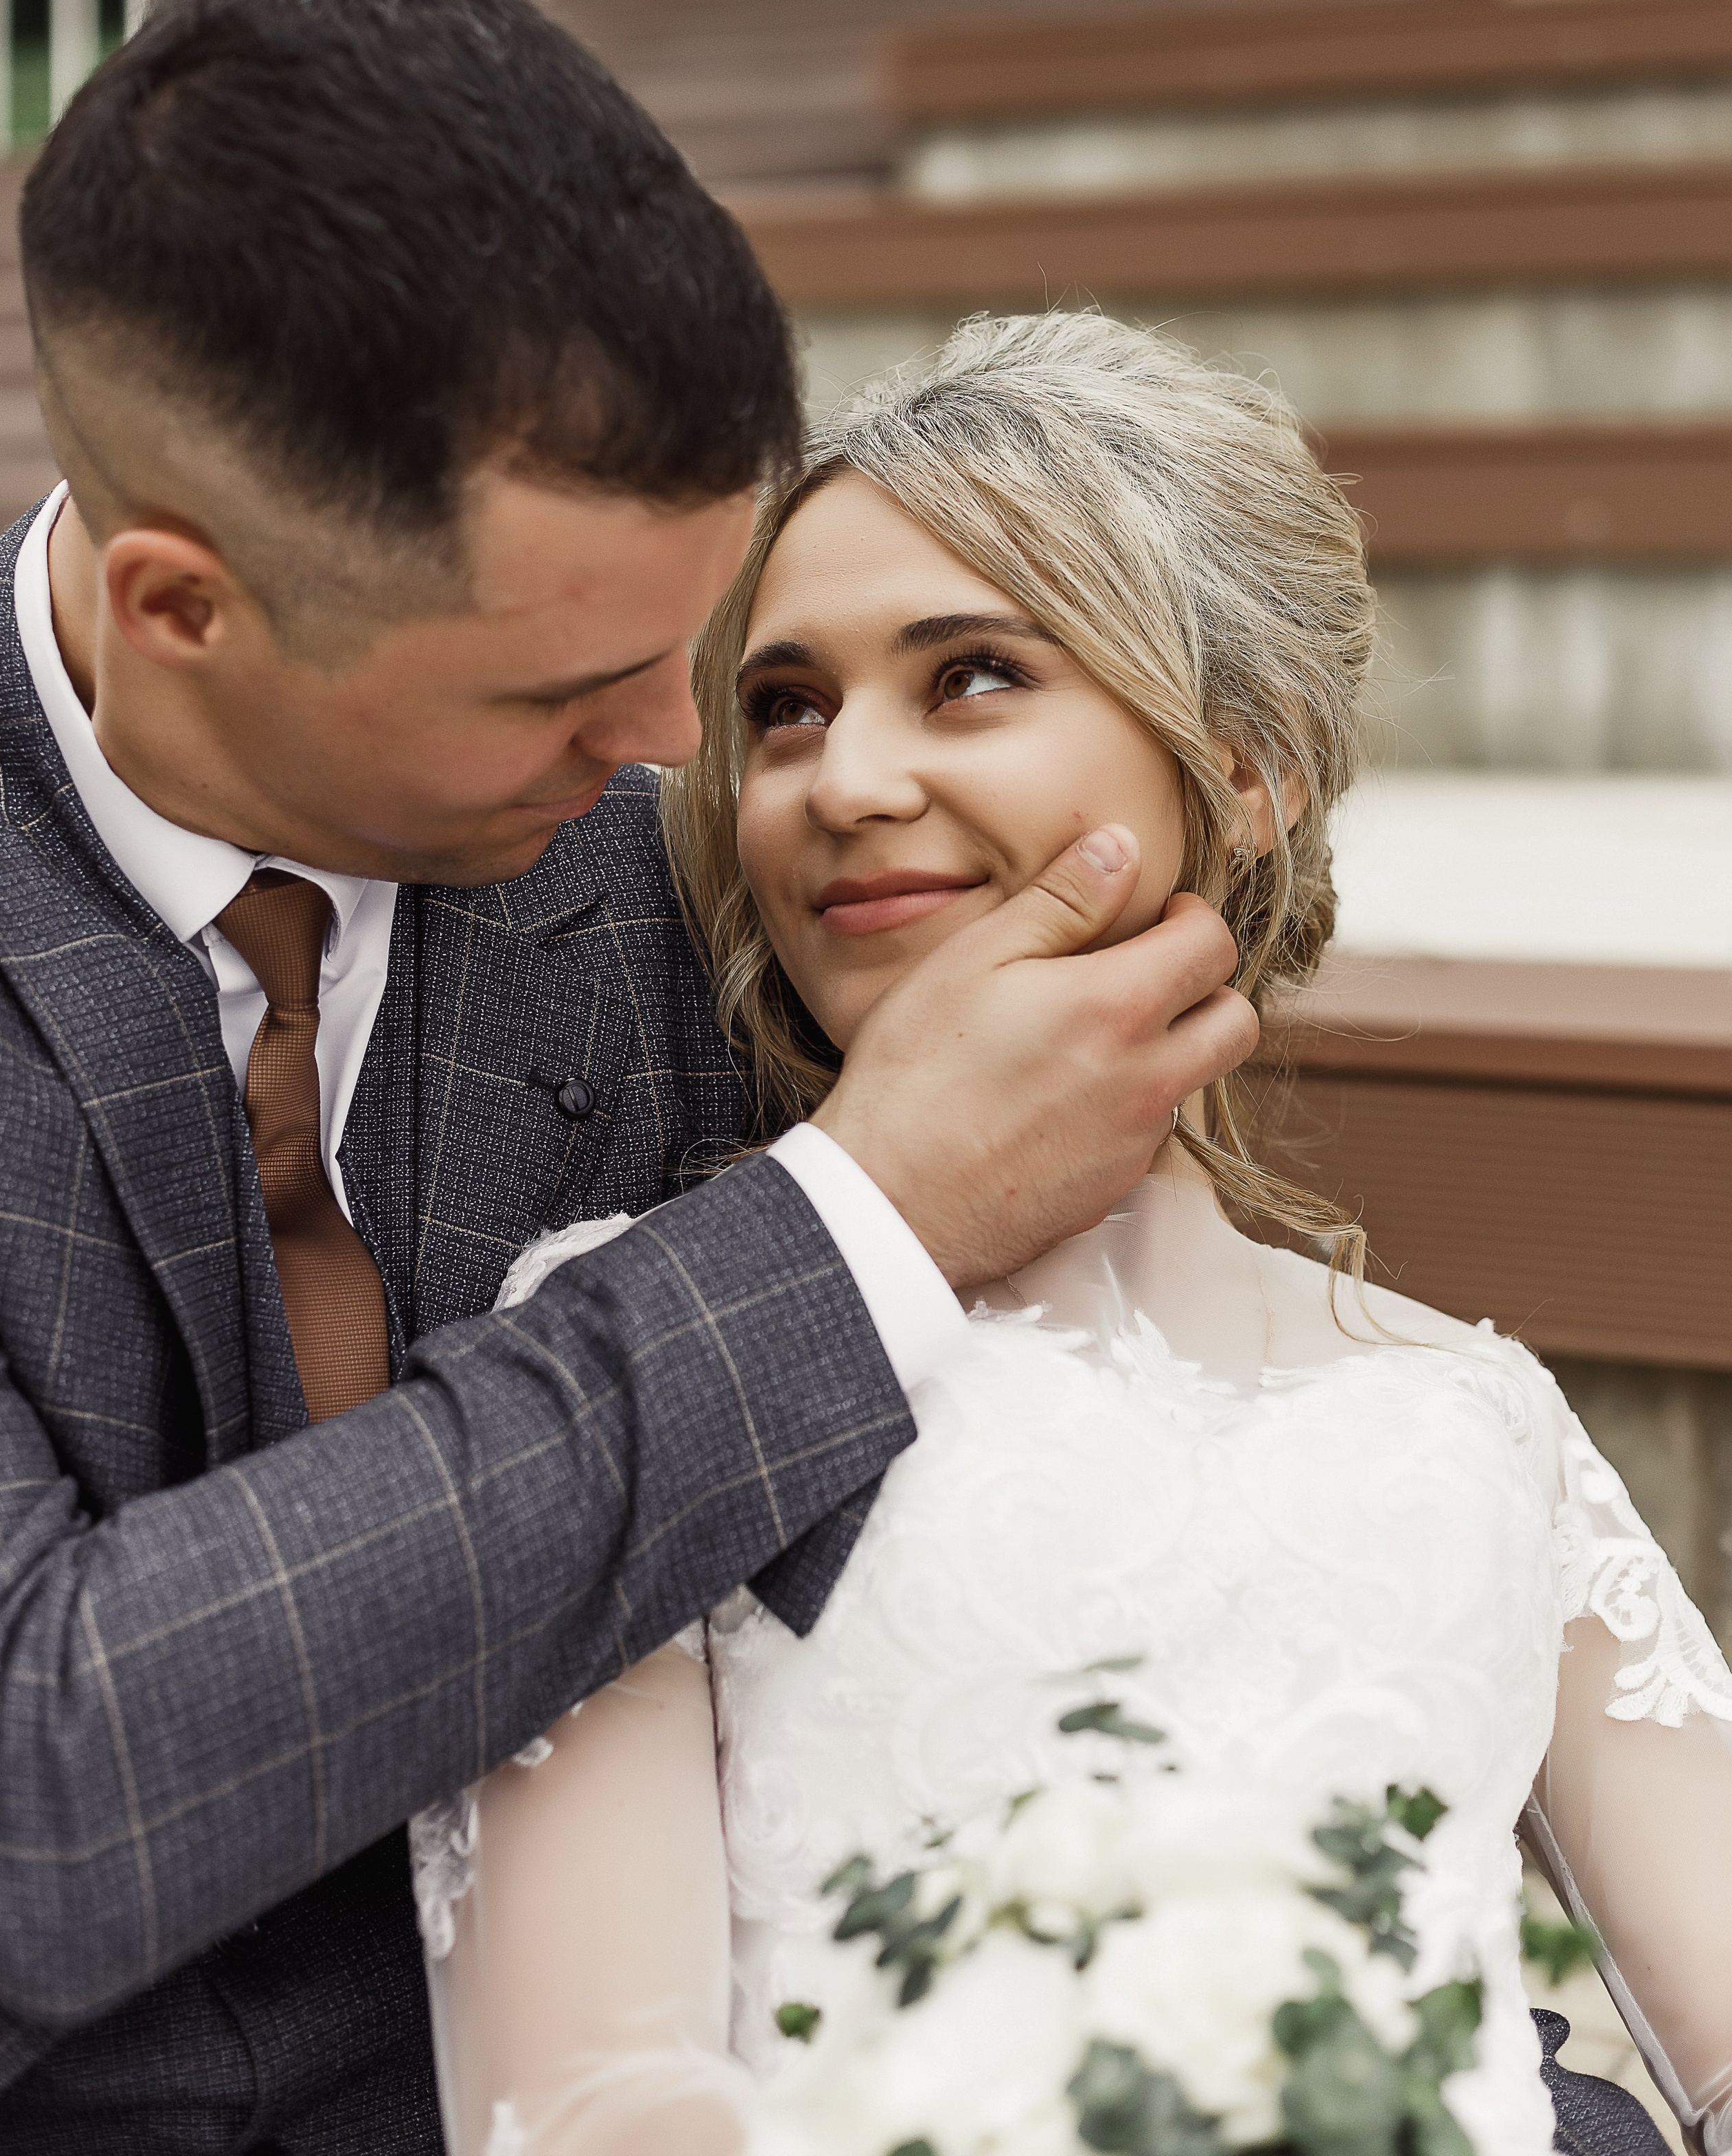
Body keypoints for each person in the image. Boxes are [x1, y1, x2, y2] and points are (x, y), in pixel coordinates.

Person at [0, 0, 1257, 2151]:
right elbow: (30, 1803)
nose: (672, 750)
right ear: (184, 605)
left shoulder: (660, 870)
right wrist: (861, 1218)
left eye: (698, 650)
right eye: (557, 688)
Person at [422, 313, 1732, 2156]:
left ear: (1250, 765)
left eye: (968, 677)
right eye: (784, 706)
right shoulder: (622, 1345)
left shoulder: (1476, 1422)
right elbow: (589, 2106)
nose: (845, 780)